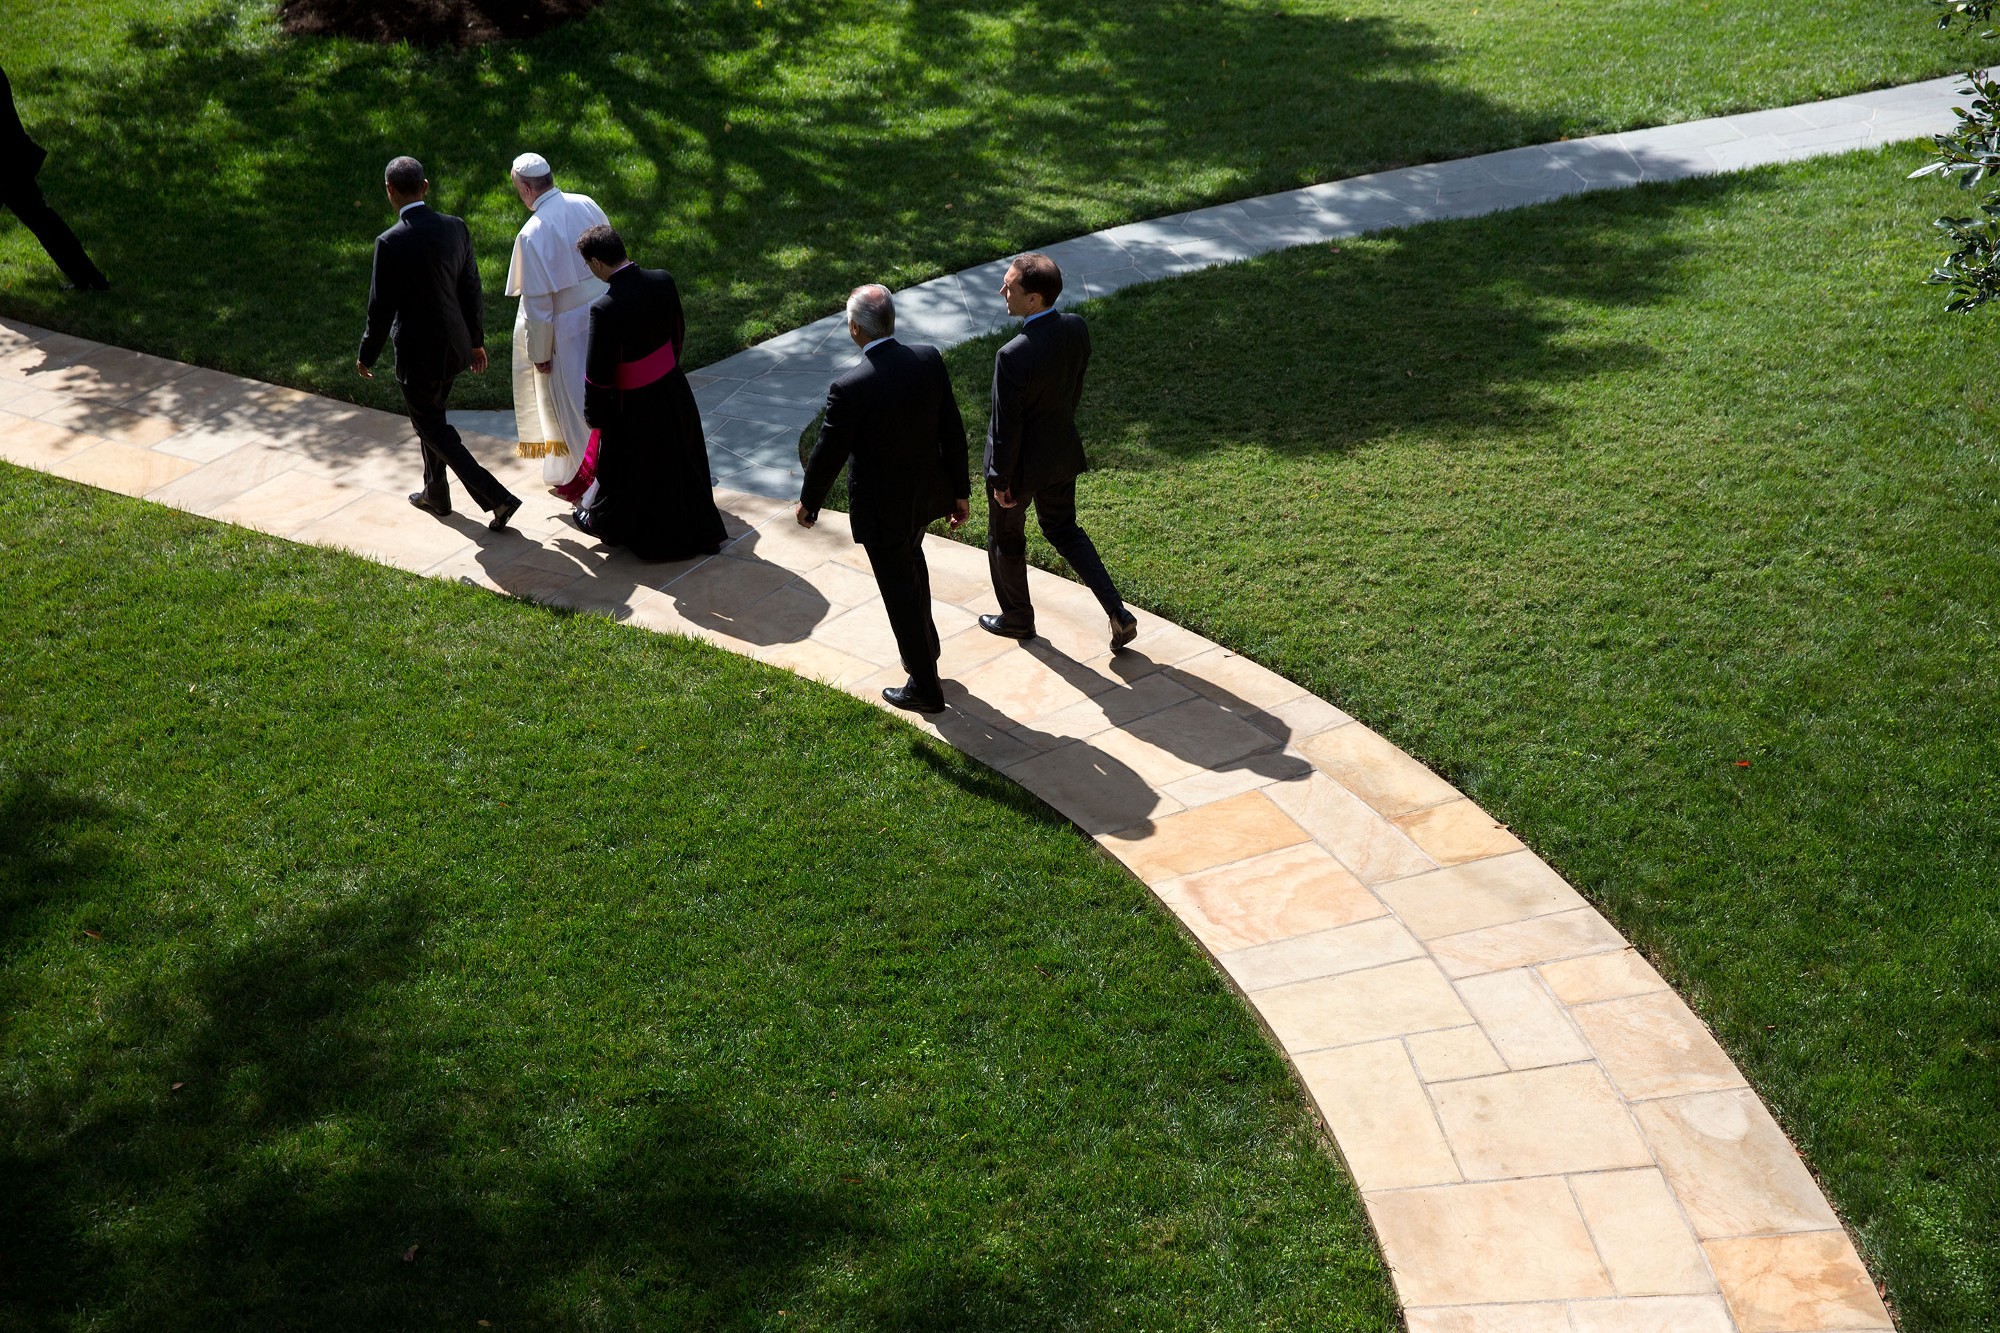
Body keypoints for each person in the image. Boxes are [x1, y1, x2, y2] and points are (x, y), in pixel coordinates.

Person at [797, 284, 969, 714]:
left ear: (856, 329)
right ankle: (925, 654)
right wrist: (960, 492)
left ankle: (926, 688)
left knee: (900, 593)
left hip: (882, 510)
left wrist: (809, 504)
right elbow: (952, 429)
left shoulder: (850, 386)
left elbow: (827, 454)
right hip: (923, 500)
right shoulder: (928, 359)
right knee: (913, 566)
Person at [980, 251, 1138, 652]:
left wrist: (1000, 479)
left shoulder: (1012, 355)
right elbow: (1073, 392)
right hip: (1061, 456)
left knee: (1006, 538)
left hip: (1017, 472)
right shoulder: (1076, 329)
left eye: (1010, 287)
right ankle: (1118, 612)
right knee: (1064, 531)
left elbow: (1005, 426)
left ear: (1034, 299)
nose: (1003, 292)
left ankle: (1017, 618)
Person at [357, 155, 520, 530]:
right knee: (431, 417)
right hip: (455, 348)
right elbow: (471, 289)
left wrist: (367, 354)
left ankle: (498, 497)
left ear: (389, 191)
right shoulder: (456, 228)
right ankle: (436, 493)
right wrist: (476, 342)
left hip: (417, 355)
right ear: (425, 187)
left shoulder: (390, 242)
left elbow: (380, 308)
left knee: (431, 428)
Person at [571, 224, 727, 561]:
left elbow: (598, 376)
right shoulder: (663, 280)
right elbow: (678, 333)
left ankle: (643, 534)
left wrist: (595, 414)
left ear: (597, 263)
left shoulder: (605, 308)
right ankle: (703, 532)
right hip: (673, 389)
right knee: (685, 462)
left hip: (635, 405)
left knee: (639, 474)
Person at [503, 151, 609, 501]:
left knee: (578, 404)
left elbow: (538, 306)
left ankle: (593, 478)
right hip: (608, 312)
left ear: (526, 190)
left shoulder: (531, 233)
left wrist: (539, 353)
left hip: (567, 330)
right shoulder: (587, 203)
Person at [0, 64, 109, 292]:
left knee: (43, 221)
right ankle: (90, 278)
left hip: (5, 163)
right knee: (43, 220)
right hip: (11, 162)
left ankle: (89, 278)